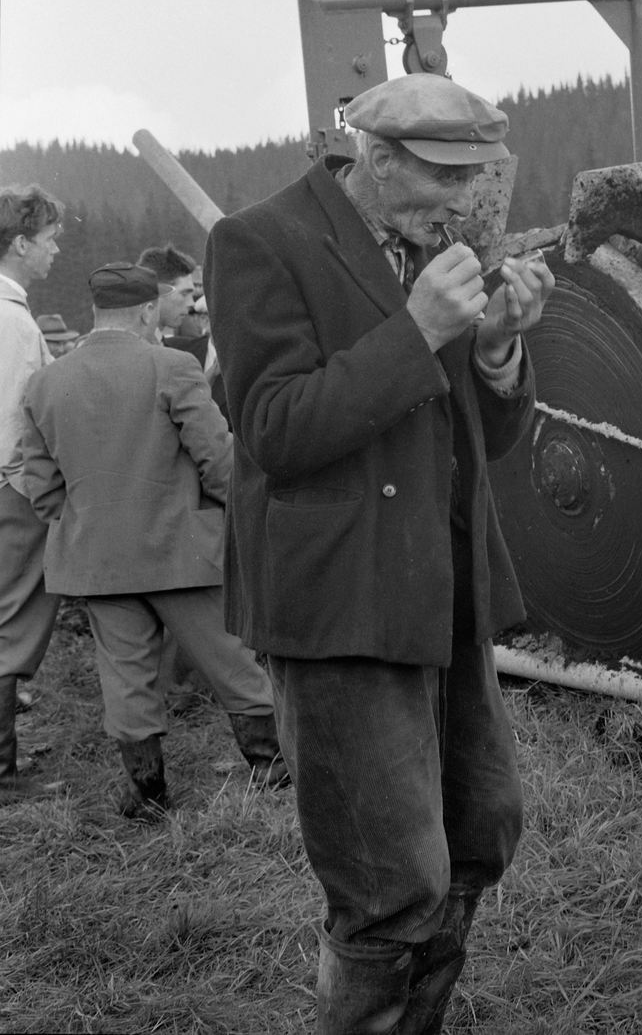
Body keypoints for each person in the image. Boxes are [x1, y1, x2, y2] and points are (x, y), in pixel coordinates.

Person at [205, 73, 554, 1034]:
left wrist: (492, 354)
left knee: (477, 839)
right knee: (389, 882)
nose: (461, 199)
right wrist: (419, 331)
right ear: (377, 156)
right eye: (443, 176)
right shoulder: (259, 243)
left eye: (472, 176)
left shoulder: (430, 247)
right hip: (340, 603)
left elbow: (464, 435)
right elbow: (274, 429)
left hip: (443, 592)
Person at [21, 262, 285, 820]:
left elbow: (40, 484)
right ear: (146, 311)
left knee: (124, 676)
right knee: (233, 664)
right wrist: (223, 516)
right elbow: (220, 462)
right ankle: (273, 770)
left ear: (95, 313)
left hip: (96, 560)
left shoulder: (45, 382)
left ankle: (147, 792)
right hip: (181, 552)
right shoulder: (172, 366)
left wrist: (80, 524)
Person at [0, 185, 66, 803]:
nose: (55, 249)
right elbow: (18, 418)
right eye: (48, 238)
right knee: (15, 623)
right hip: (12, 487)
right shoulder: (13, 321)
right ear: (20, 243)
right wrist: (34, 491)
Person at [139, 244, 226, 420]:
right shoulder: (138, 350)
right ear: (158, 290)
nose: (191, 303)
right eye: (184, 293)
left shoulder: (160, 344)